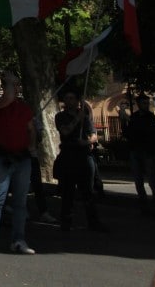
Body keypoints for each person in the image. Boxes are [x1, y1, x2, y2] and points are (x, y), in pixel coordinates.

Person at [0, 70, 36, 254]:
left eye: (15, 85)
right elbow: (7, 98)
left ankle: (18, 239)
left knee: (20, 202)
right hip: (3, 158)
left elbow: (31, 129)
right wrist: (9, 82)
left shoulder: (25, 108)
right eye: (10, 85)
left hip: (22, 158)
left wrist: (32, 147)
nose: (13, 88)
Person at [53, 89, 106, 231]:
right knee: (67, 191)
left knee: (88, 191)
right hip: (68, 155)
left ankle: (93, 222)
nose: (69, 101)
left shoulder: (86, 117)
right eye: (67, 98)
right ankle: (66, 222)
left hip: (83, 155)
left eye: (72, 98)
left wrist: (88, 141)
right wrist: (77, 120)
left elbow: (93, 134)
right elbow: (65, 131)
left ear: (77, 100)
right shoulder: (60, 116)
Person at [124, 94, 155, 213]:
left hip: (148, 151)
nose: (146, 105)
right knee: (138, 179)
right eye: (144, 103)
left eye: (147, 103)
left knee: (152, 178)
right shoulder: (134, 117)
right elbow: (128, 134)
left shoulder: (151, 117)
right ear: (138, 104)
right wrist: (124, 121)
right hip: (135, 151)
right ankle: (143, 203)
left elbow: (149, 132)